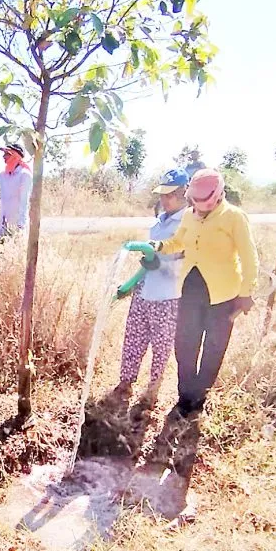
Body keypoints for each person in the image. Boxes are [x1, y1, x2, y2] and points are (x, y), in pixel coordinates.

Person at [142, 168, 259, 417]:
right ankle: (185, 398)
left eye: (205, 202)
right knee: (184, 345)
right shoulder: (188, 216)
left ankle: (198, 399)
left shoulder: (234, 217)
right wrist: (159, 246)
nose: (200, 207)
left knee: (213, 348)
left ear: (218, 195)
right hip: (190, 289)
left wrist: (246, 292)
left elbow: (250, 258)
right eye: (196, 201)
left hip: (223, 294)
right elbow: (178, 242)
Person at [108, 168, 190, 410]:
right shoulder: (158, 222)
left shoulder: (187, 223)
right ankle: (125, 382)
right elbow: (149, 256)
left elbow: (185, 260)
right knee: (134, 338)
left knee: (161, 346)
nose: (164, 200)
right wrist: (133, 283)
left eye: (169, 195)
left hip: (168, 294)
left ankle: (152, 391)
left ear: (183, 193)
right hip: (145, 290)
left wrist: (160, 262)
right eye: (162, 195)